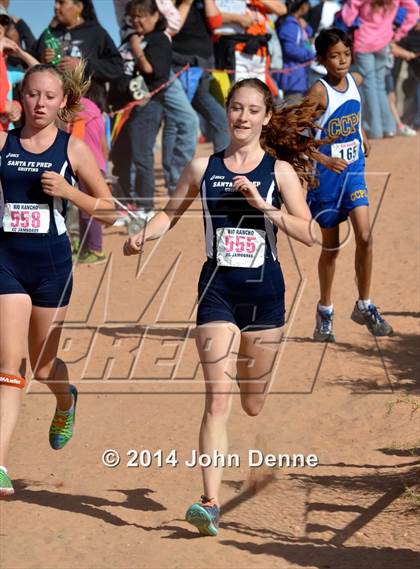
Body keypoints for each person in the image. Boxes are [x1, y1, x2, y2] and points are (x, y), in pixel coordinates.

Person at [124, 77, 317, 535]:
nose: (243, 117)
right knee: (218, 402)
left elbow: (310, 233)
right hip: (217, 292)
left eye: (253, 110)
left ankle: (257, 399)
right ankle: (209, 502)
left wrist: (263, 205)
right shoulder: (201, 168)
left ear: (267, 117)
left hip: (265, 294)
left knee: (253, 402)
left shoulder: (279, 173)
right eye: (236, 108)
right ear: (226, 112)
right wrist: (143, 235)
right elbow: (170, 214)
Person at [0, 61, 117, 497]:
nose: (40, 103)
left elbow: (108, 209)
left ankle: (66, 399)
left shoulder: (73, 150)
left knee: (44, 365)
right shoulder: (4, 143)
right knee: (9, 367)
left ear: (64, 101)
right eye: (32, 95)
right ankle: (0, 466)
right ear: (20, 97)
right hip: (6, 263)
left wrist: (70, 193)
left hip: (51, 267)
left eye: (50, 96)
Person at [307, 28, 393, 342]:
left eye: (346, 54)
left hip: (354, 173)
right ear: (320, 59)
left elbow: (353, 116)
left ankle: (364, 304)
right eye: (334, 56)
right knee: (331, 250)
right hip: (326, 180)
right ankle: (325, 310)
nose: (341, 61)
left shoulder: (356, 81)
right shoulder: (318, 93)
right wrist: (325, 159)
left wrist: (362, 136)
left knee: (366, 237)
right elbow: (297, 141)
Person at [111, 0, 172, 216]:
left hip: (147, 107)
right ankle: (123, 206)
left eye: (143, 15)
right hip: (120, 107)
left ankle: (146, 207)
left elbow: (151, 70)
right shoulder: (126, 40)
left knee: (141, 156)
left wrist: (136, 47)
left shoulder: (159, 40)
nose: (137, 20)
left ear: (156, 16)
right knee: (119, 157)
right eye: (134, 16)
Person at [341, 0, 419, 139]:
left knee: (369, 86)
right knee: (380, 86)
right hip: (384, 43)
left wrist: (351, 22)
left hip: (364, 43)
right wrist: (399, 33)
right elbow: (414, 10)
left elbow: (348, 14)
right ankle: (388, 128)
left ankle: (374, 130)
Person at [35, 0, 124, 105]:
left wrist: (83, 65)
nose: (56, 6)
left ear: (78, 7)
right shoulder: (50, 33)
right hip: (53, 108)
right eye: (55, 2)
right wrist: (42, 59)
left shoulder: (96, 33)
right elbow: (29, 63)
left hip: (87, 107)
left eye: (61, 2)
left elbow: (116, 68)